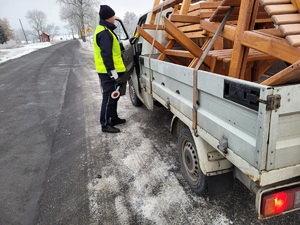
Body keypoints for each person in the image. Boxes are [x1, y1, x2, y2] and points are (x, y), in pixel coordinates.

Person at [94, 5, 127, 133]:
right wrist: (113, 75)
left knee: (114, 96)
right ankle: (105, 124)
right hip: (107, 73)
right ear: (109, 17)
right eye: (113, 15)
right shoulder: (104, 32)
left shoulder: (106, 30)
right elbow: (106, 56)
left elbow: (113, 50)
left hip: (109, 72)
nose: (114, 17)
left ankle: (113, 118)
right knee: (108, 98)